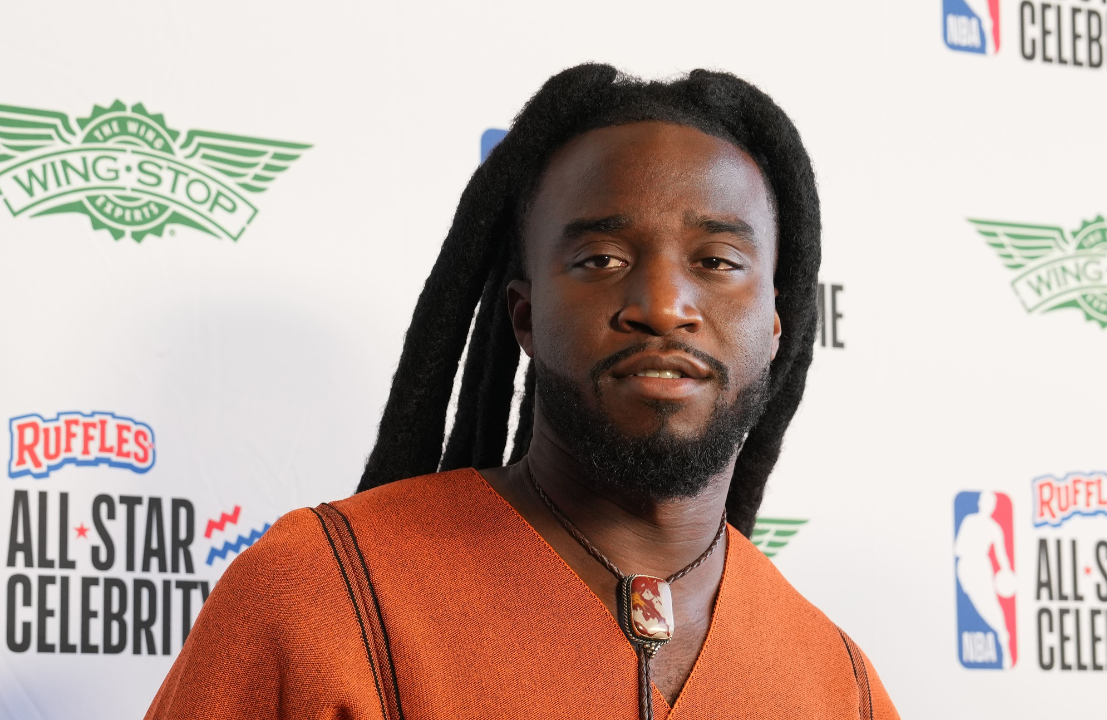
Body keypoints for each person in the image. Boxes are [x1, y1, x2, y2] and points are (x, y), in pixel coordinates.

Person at [144, 64, 899, 720]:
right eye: (601, 258)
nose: (664, 303)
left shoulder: (843, 685)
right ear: (526, 316)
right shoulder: (316, 593)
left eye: (719, 260)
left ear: (777, 326)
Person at [954, 491, 1015, 668]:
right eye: (984, 501)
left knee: (991, 607)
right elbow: (957, 548)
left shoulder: (994, 528)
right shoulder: (969, 521)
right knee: (975, 607)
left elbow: (1001, 554)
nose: (986, 505)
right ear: (980, 503)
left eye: (990, 502)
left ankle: (1004, 642)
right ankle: (1003, 637)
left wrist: (1006, 572)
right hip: (966, 567)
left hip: (981, 568)